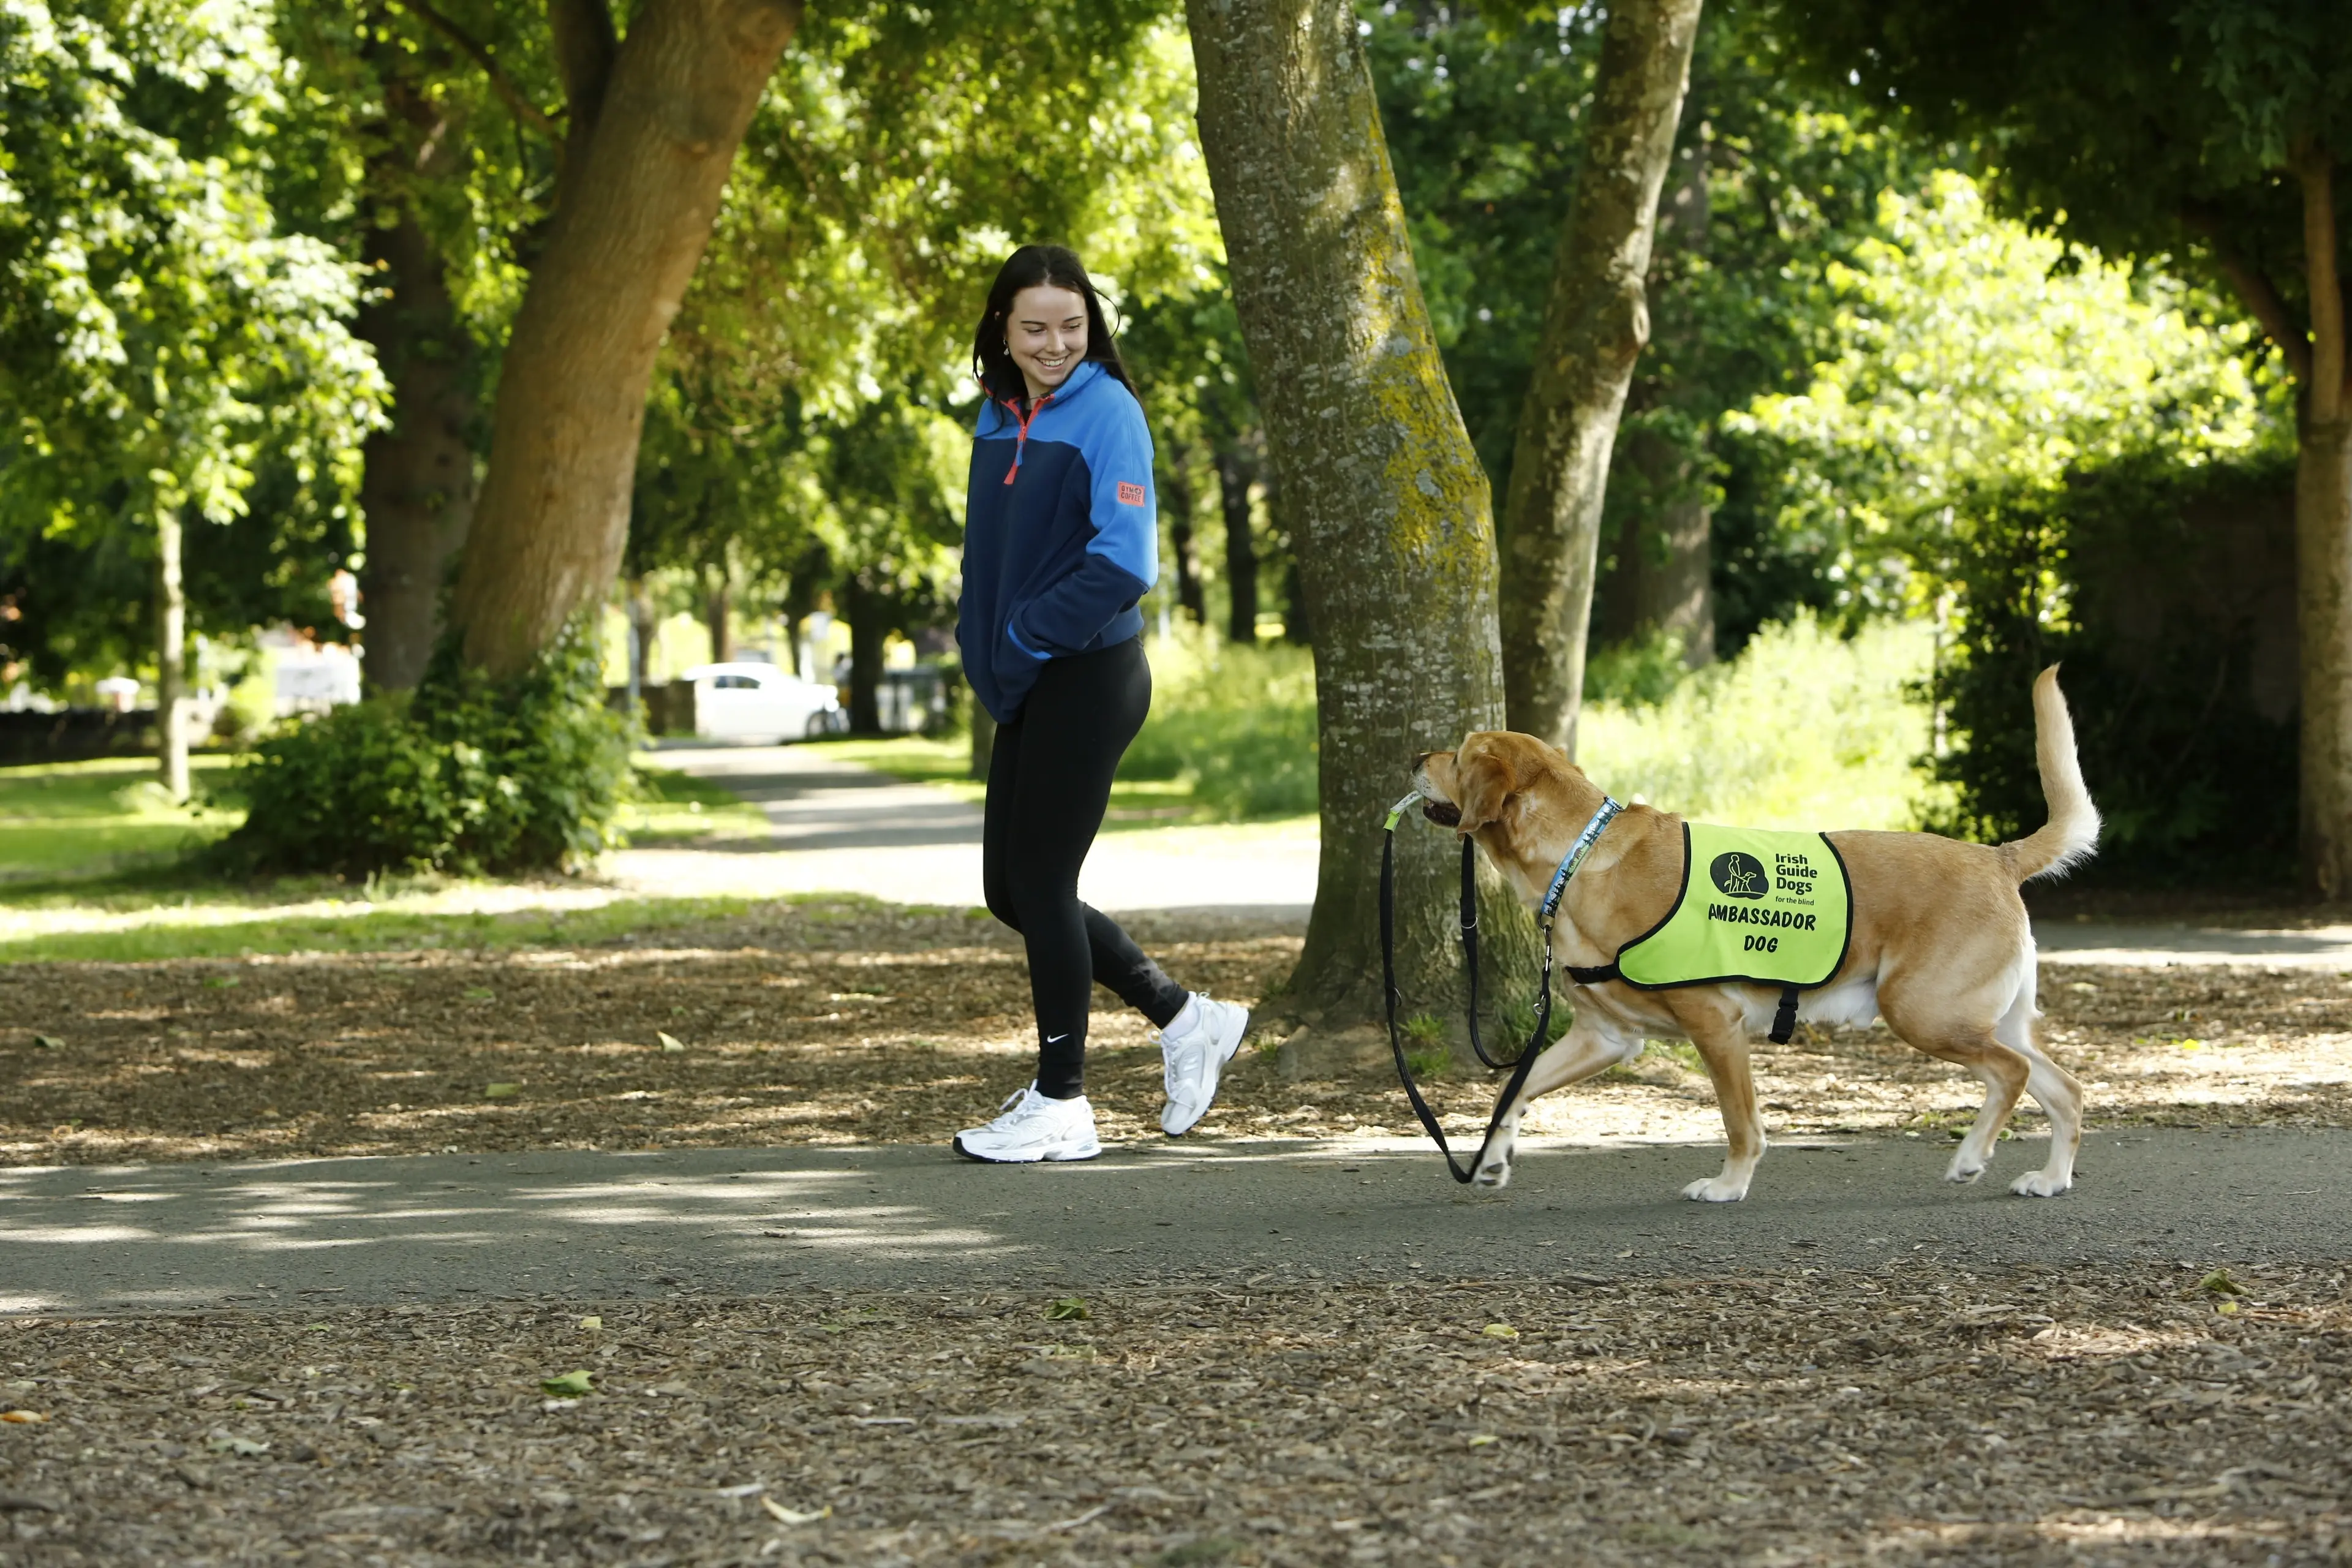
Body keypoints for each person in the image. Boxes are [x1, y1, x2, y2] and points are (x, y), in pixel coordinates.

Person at [951, 244, 1250, 1163]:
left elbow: (1127, 561)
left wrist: (1028, 635)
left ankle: (1064, 1100)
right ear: (1002, 327)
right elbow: (989, 554)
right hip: (1029, 679)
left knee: (1042, 885)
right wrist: (989, 645)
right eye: (1034, 327)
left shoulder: (1109, 412)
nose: (1054, 344)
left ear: (1094, 325)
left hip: (1088, 675)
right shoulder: (997, 417)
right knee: (1010, 889)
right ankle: (1185, 1016)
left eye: (1072, 326)